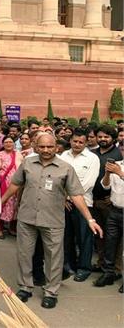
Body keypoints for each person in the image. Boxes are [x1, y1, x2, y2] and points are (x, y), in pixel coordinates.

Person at [1, 134, 102, 309]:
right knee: (25, 254)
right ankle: (25, 287)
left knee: (54, 258)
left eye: (50, 147)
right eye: (42, 147)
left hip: (53, 221)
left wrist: (89, 219)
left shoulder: (66, 168)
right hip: (27, 218)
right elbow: (15, 185)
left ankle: (51, 292)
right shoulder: (27, 164)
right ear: (36, 146)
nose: (46, 150)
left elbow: (76, 195)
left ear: (56, 147)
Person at [60, 129, 100, 282]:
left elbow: (88, 183)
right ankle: (69, 265)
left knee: (84, 237)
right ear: (70, 141)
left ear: (86, 142)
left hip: (84, 204)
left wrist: (71, 196)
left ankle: (84, 268)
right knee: (67, 236)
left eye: (81, 142)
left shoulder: (92, 158)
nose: (77, 144)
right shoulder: (64, 156)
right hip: (64, 203)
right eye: (75, 141)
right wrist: (64, 198)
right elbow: (59, 178)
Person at [91, 124, 123, 271]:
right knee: (100, 234)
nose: (103, 139)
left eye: (106, 136)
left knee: (113, 239)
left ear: (113, 138)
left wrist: (112, 196)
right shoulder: (92, 153)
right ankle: (102, 263)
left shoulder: (118, 154)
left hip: (110, 203)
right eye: (100, 136)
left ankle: (115, 268)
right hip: (93, 200)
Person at [97, 157, 124, 292]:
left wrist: (120, 173)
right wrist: (107, 173)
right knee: (110, 243)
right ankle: (109, 273)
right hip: (114, 210)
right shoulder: (117, 164)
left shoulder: (118, 169)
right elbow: (105, 186)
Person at [0, 135, 23, 239]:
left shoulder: (18, 154)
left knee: (15, 206)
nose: (8, 144)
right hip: (3, 183)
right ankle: (0, 229)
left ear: (14, 144)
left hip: (17, 185)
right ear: (3, 144)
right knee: (2, 204)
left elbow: (21, 167)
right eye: (6, 142)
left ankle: (12, 228)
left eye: (10, 142)